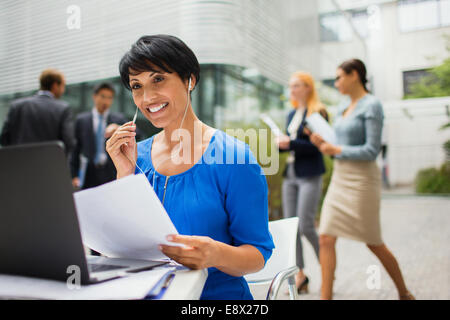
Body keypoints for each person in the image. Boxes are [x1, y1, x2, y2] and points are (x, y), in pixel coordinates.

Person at [106, 35, 274, 300]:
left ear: (190, 80)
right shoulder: (135, 156)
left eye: (158, 79)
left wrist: (215, 254)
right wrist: (124, 175)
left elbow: (257, 256)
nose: (147, 97)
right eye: (136, 86)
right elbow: (119, 247)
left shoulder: (234, 158)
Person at [310, 59, 414, 300]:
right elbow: (338, 140)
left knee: (373, 241)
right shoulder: (342, 106)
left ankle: (404, 292)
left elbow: (371, 150)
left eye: (339, 77)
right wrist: (323, 143)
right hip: (341, 176)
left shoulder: (372, 105)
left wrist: (335, 150)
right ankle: (325, 297)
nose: (336, 83)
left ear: (354, 75)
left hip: (363, 179)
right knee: (325, 237)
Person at [276, 71, 327, 294]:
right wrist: (282, 144)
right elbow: (290, 145)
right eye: (291, 86)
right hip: (292, 174)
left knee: (306, 224)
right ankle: (300, 275)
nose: (293, 90)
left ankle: (327, 268)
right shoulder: (291, 114)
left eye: (297, 85)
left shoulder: (318, 113)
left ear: (308, 87)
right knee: (291, 226)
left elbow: (321, 146)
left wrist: (292, 143)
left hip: (310, 174)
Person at [0, 69, 75, 155]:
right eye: (63, 86)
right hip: (49, 165)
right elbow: (69, 142)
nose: (63, 90)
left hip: (19, 164)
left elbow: (4, 139)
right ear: (55, 86)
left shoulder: (17, 106)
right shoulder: (63, 108)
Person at [70, 82, 129, 190]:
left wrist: (118, 127)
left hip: (111, 171)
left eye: (109, 98)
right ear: (94, 96)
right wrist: (73, 175)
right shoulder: (81, 120)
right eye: (102, 96)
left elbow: (138, 134)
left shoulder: (118, 119)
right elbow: (75, 150)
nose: (106, 101)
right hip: (88, 173)